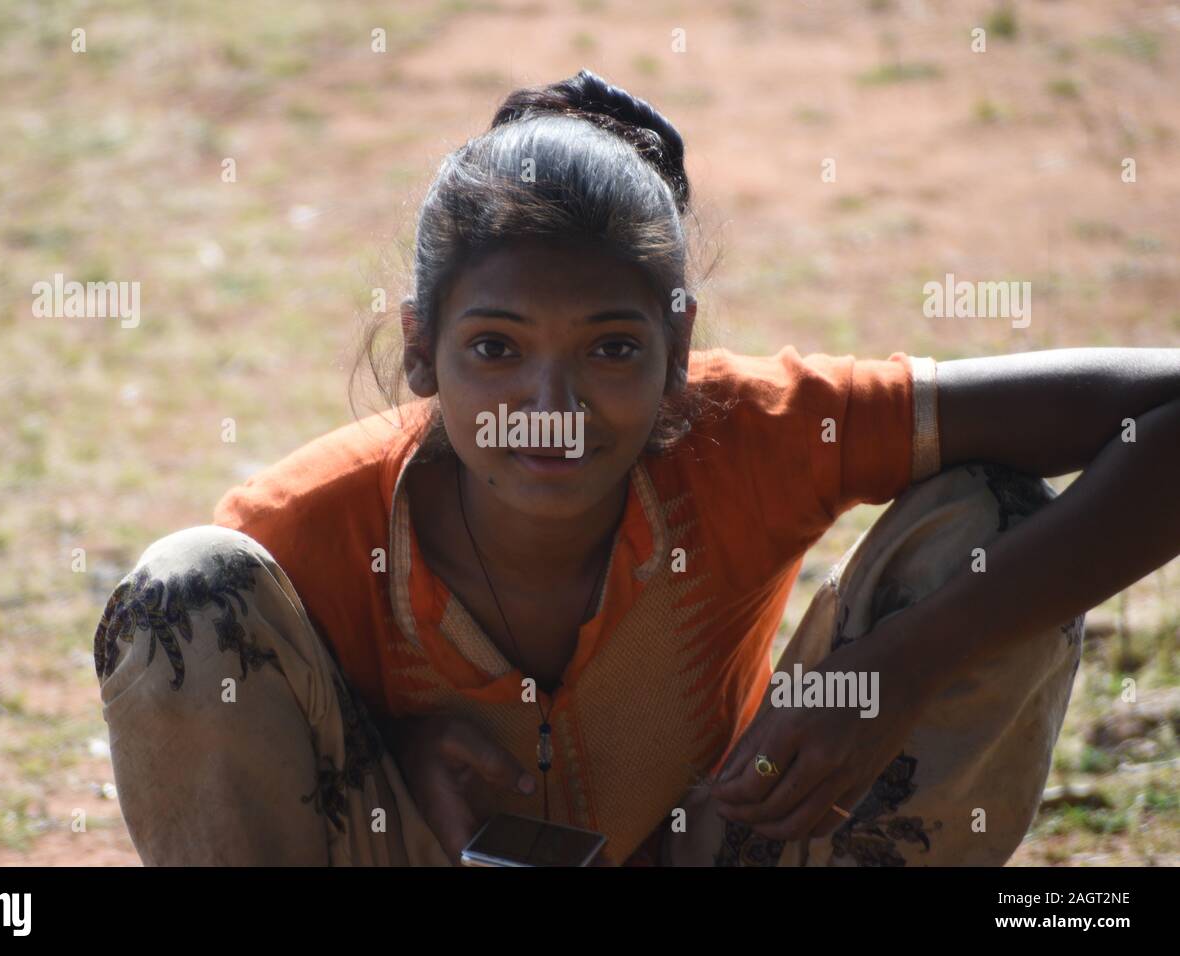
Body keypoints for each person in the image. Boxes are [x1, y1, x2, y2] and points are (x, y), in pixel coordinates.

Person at [93, 69, 1180, 866]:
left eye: (612, 348)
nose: (550, 409)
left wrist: (890, 673)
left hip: (724, 838)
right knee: (187, 593)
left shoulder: (748, 429)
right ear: (422, 347)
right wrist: (390, 741)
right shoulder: (308, 527)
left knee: (983, 519)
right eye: (495, 349)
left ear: (678, 353)